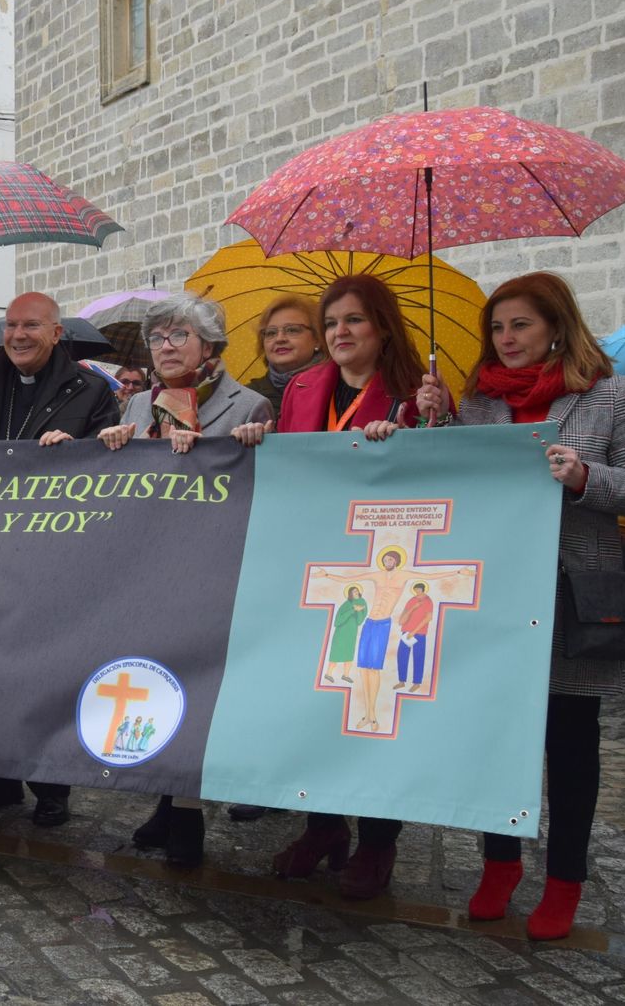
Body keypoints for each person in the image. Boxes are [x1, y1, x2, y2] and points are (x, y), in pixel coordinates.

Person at [414, 271, 625, 940]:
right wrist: (431, 419)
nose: (506, 338)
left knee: (570, 743)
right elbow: (447, 482)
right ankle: (499, 863)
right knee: (495, 737)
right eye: (498, 327)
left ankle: (565, 879)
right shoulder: (480, 403)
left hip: (570, 595)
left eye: (519, 324)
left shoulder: (609, 399)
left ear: (556, 325)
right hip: (492, 593)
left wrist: (585, 477)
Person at [231, 273, 428, 900]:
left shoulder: (412, 394)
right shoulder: (305, 388)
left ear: (382, 327)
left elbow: (436, 482)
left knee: (372, 706)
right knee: (316, 698)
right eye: (334, 322)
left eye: (355, 321)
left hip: (382, 564)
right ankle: (323, 826)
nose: (341, 333)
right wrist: (264, 443)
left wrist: (422, 431)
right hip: (316, 565)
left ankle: (376, 840)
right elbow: (291, 470)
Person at [99, 293, 271, 866]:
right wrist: (116, 447)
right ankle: (166, 802)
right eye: (157, 338)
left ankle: (190, 815)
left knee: (198, 687)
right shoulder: (136, 407)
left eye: (179, 336)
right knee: (155, 681)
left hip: (212, 567)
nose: (165, 347)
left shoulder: (249, 405)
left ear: (210, 345)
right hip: (147, 566)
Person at [0, 290, 118, 827]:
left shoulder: (90, 390)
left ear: (56, 333)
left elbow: (109, 468)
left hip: (53, 554)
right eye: (11, 326)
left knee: (45, 671)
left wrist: (78, 450)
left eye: (31, 326)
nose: (18, 335)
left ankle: (50, 784)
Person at [245, 295, 324, 412]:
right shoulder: (248, 398)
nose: (280, 339)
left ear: (317, 339)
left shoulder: (338, 389)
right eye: (271, 333)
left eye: (292, 330)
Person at [394, 581, 433, 693]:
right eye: (415, 590)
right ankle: (402, 681)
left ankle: (417, 682)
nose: (417, 592)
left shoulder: (428, 601)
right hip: (406, 632)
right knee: (402, 656)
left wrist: (414, 631)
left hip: (419, 633)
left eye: (418, 590)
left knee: (418, 657)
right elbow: (401, 620)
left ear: (422, 589)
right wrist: (413, 608)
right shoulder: (412, 600)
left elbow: (428, 618)